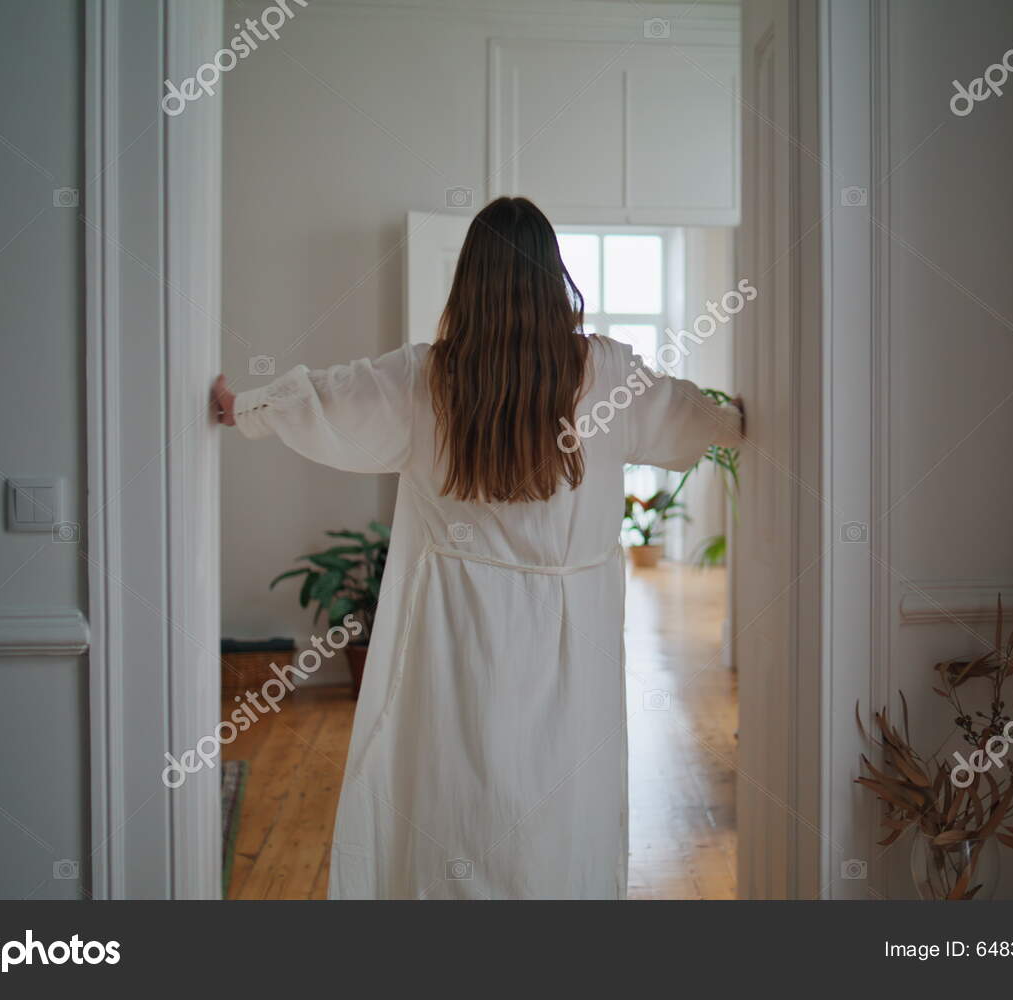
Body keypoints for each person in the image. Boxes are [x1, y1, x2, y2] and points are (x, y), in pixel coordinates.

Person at [211, 196, 742, 899]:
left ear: (469, 281)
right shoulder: (608, 372)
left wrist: (245, 407)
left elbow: (332, 401)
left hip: (461, 626)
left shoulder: (427, 377)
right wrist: (742, 416)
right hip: (571, 628)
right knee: (564, 805)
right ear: (555, 278)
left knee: (458, 798)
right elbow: (695, 423)